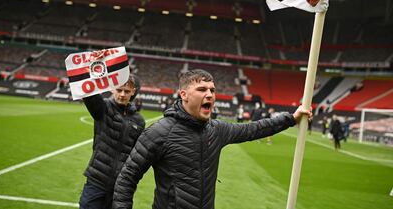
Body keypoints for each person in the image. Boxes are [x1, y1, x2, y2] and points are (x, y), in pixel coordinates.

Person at [113, 69, 311, 209]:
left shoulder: (216, 130)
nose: (209, 95)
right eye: (202, 90)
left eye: (212, 90)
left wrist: (291, 118)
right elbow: (127, 177)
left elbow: (254, 129)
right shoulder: (159, 132)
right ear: (184, 95)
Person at [79, 75, 146, 209]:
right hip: (96, 182)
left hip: (121, 187)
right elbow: (89, 93)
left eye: (126, 91)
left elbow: (136, 155)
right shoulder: (103, 108)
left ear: (133, 92)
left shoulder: (139, 121)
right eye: (119, 90)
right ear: (112, 89)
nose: (122, 94)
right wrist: (89, 71)